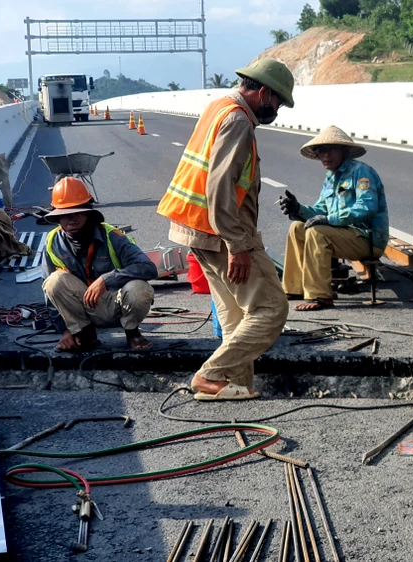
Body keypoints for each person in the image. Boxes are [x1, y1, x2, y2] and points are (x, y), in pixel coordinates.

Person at [156, 58, 294, 401]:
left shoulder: (219, 107)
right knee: (271, 308)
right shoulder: (238, 120)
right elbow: (219, 185)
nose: (276, 110)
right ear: (264, 93)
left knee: (234, 313)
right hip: (220, 231)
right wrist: (237, 244)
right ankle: (212, 375)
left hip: (196, 226)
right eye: (277, 102)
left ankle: (234, 384)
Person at [277, 126, 389, 311]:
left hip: (367, 239)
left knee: (317, 232)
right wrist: (298, 209)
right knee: (297, 227)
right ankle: (295, 288)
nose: (325, 155)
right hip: (343, 235)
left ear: (344, 151)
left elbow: (366, 208)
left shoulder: (362, 172)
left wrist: (329, 219)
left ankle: (320, 295)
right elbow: (320, 211)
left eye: (331, 150)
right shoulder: (331, 178)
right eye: (321, 151)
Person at [42, 177, 157, 352]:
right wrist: (65, 331)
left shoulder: (112, 236)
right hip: (81, 309)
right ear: (57, 217)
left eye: (78, 213)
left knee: (139, 288)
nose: (71, 220)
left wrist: (106, 279)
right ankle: (85, 335)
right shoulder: (52, 242)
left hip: (115, 304)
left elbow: (148, 268)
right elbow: (50, 296)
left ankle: (132, 333)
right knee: (53, 281)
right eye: (65, 215)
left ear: (88, 213)